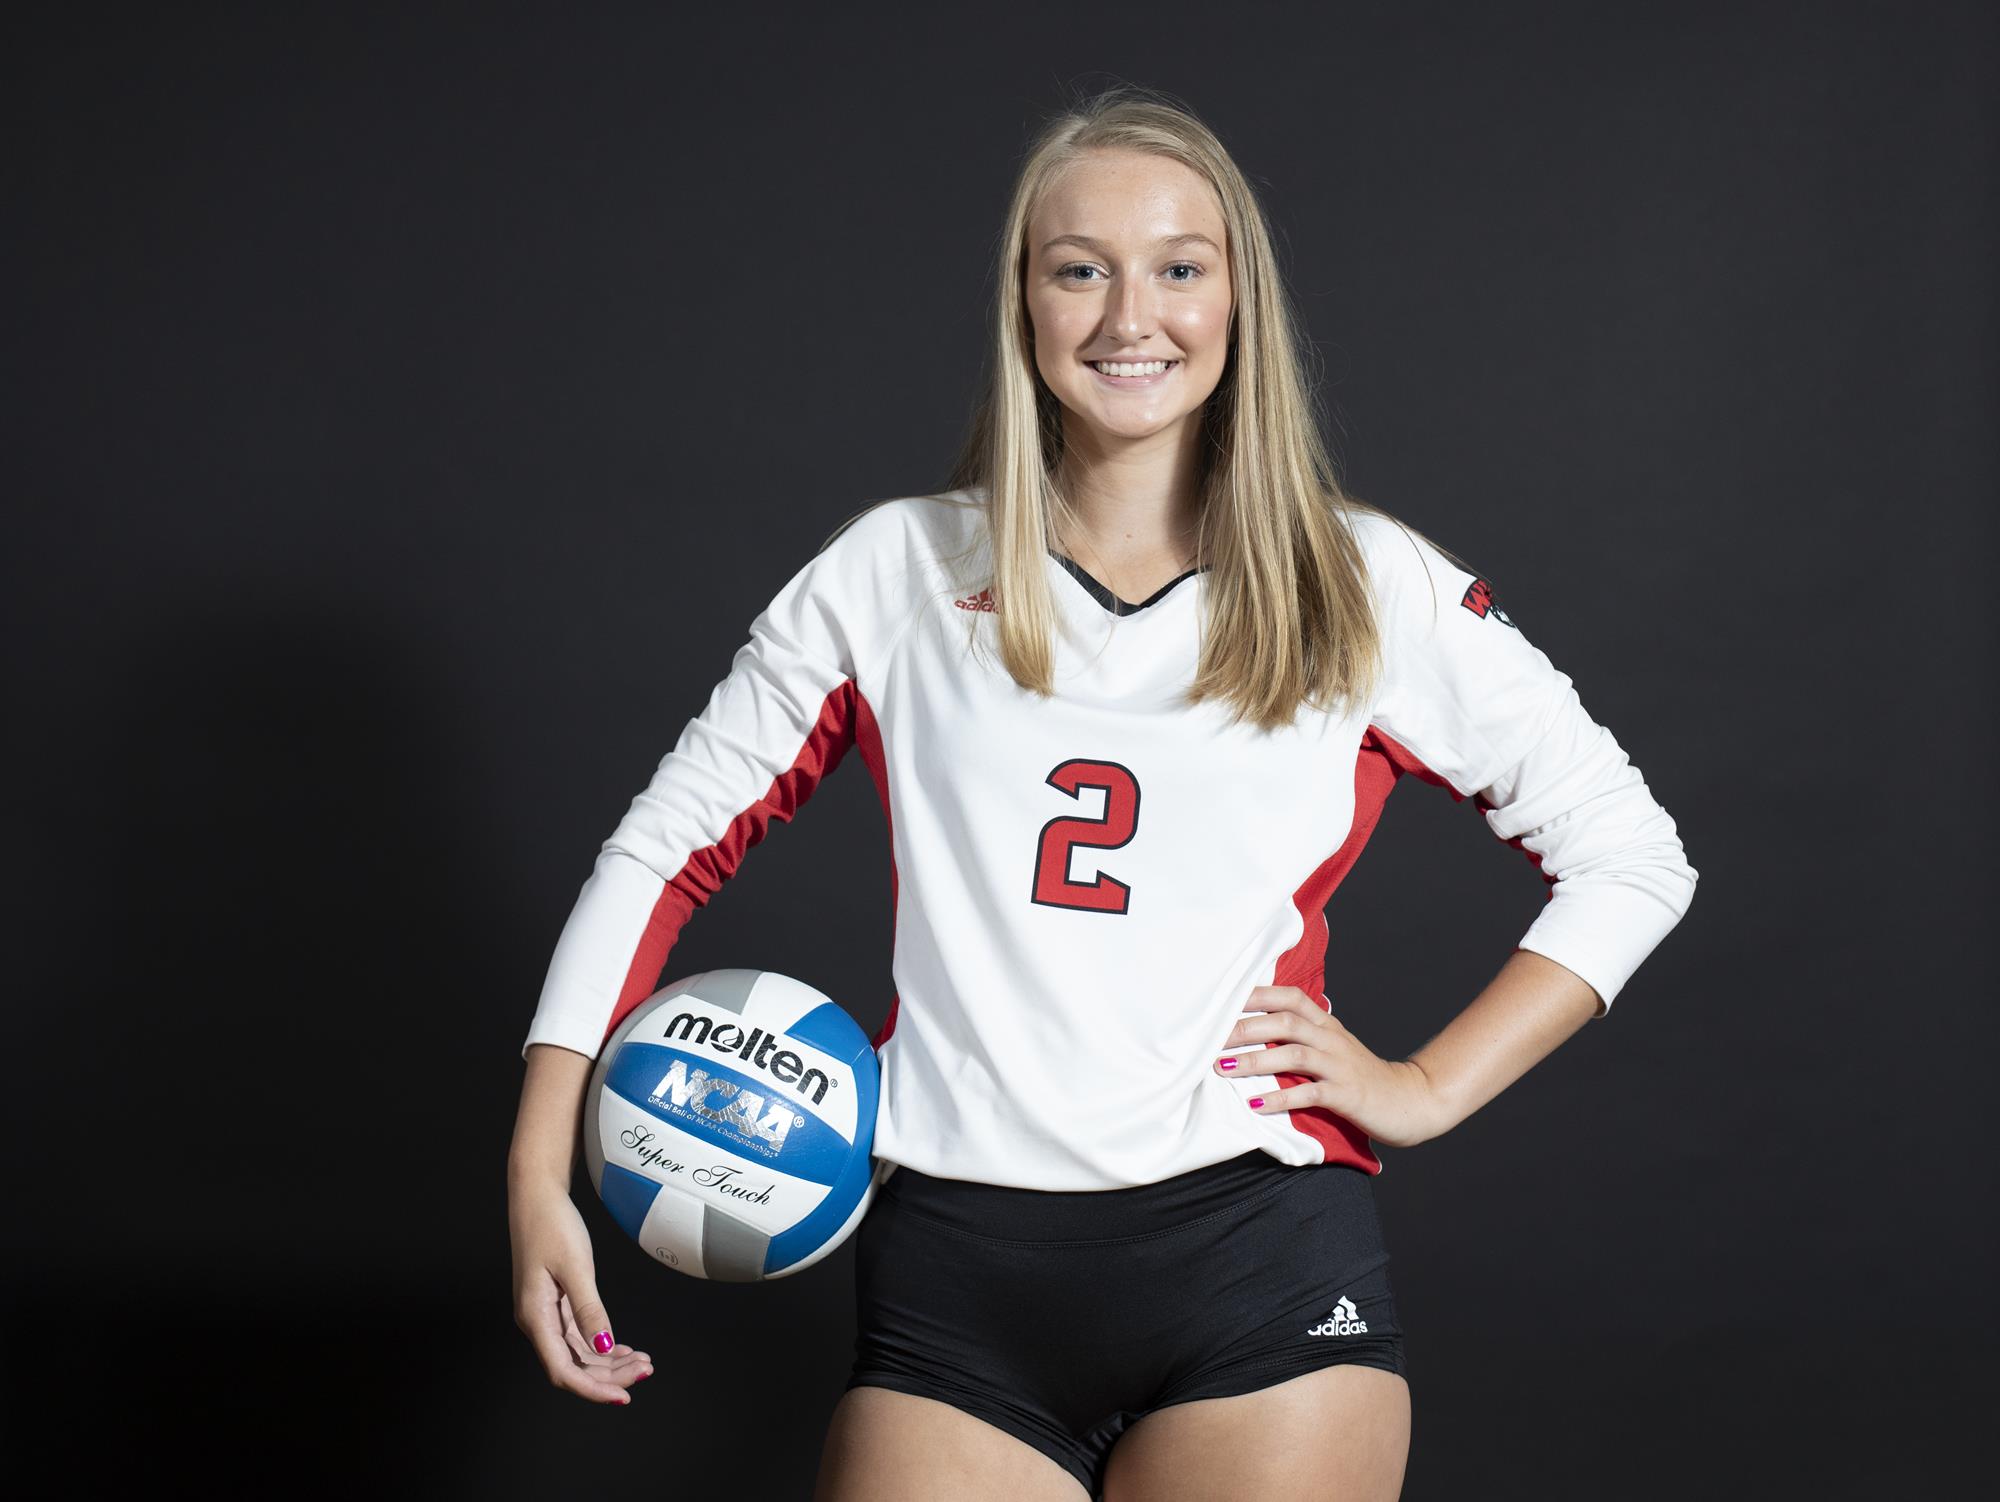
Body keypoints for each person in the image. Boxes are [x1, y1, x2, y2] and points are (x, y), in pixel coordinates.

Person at [507, 85, 1697, 1502]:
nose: (1132, 315)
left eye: (1179, 267)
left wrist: (1425, 1087)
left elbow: (1631, 854)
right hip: (956, 1278)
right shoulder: (893, 573)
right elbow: (662, 851)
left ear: (1237, 299)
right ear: (1024, 301)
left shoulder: (1362, 584)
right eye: (1081, 268)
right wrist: (538, 1167)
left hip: (1257, 1262)